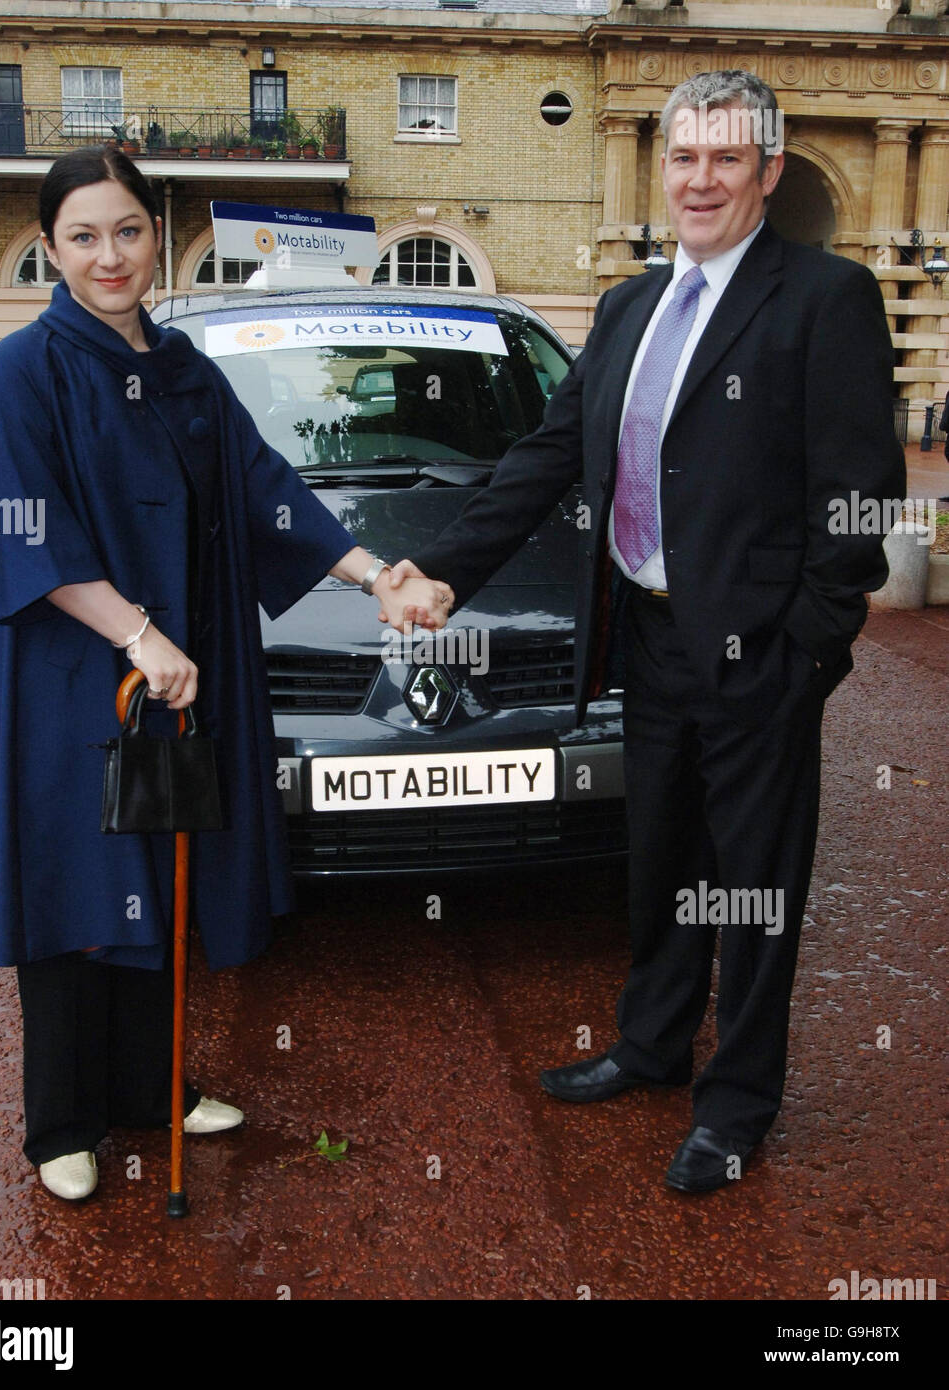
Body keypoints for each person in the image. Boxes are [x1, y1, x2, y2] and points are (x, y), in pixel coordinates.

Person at [393, 70, 905, 1192]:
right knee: (662, 859)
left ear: (768, 171)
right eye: (684, 157)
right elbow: (547, 452)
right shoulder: (628, 304)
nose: (701, 178)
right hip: (649, 639)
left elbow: (860, 497)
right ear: (658, 167)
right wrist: (442, 570)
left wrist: (808, 652)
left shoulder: (823, 298)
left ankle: (735, 1108)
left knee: (754, 887)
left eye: (727, 158)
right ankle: (654, 1042)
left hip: (760, 654)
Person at [0, 146, 453, 1201]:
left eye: (129, 230)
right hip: (67, 672)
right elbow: (27, 531)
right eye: (84, 236)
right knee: (76, 881)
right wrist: (134, 631)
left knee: (162, 863)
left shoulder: (185, 366)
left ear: (155, 234)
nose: (111, 256)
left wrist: (377, 574)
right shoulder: (22, 371)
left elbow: (264, 487)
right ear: (49, 248)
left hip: (182, 666)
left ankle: (150, 1087)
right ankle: (62, 1120)